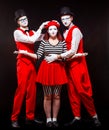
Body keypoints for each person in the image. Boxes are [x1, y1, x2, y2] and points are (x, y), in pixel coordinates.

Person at [13, 20, 87, 128]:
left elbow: (66, 57)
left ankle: (54, 119)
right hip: (46, 70)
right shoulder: (44, 42)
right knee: (47, 96)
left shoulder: (62, 43)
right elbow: (37, 55)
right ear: (47, 31)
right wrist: (25, 52)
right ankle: (48, 119)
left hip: (58, 70)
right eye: (50, 29)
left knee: (57, 96)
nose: (53, 31)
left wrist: (78, 55)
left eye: (55, 29)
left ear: (57, 30)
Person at [45, 6, 101, 128]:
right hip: (68, 65)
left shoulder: (76, 30)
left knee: (82, 90)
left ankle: (94, 116)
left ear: (71, 18)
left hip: (78, 65)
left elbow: (72, 51)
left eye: (67, 18)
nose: (64, 21)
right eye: (62, 18)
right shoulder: (64, 32)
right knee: (72, 91)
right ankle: (77, 117)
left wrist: (57, 56)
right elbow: (61, 46)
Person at [11, 9, 48, 128]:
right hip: (22, 63)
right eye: (21, 20)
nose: (24, 21)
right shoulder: (17, 33)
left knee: (32, 91)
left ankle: (30, 117)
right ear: (18, 22)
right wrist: (41, 26)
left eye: (25, 19)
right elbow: (32, 40)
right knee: (21, 91)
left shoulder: (32, 31)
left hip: (32, 63)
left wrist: (54, 30)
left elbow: (42, 37)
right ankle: (14, 118)